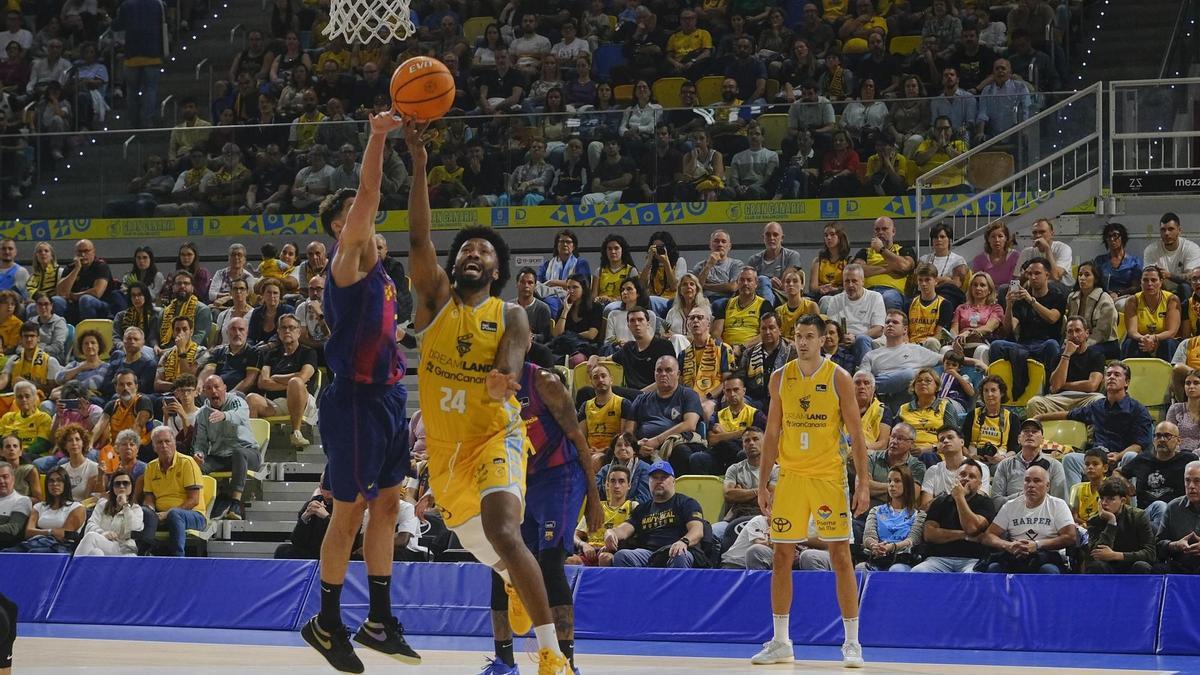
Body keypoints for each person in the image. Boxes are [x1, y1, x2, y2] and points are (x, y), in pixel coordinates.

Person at [405, 115, 571, 672]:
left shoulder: (511, 312)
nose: (472, 254)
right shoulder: (432, 306)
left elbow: (516, 352)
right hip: (446, 458)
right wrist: (421, 164)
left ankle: (550, 656)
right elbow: (418, 238)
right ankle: (520, 594)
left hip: (497, 437)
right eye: (466, 250)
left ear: (498, 269)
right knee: (494, 555)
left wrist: (504, 374)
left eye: (484, 251)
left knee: (505, 529)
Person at [299, 111, 422, 672]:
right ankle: (326, 624)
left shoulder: (383, 273)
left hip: (390, 396)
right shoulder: (347, 261)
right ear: (339, 230)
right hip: (352, 400)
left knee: (388, 507)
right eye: (352, 215)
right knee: (345, 515)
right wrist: (378, 136)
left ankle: (377, 619)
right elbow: (370, 189)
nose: (365, 215)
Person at [753, 314, 869, 667]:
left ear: (823, 340)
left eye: (809, 336)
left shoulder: (839, 378)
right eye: (798, 336)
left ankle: (852, 642)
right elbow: (772, 433)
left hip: (829, 478)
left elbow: (856, 435)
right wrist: (762, 482)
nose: (802, 342)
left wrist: (863, 482)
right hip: (790, 476)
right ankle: (780, 640)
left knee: (841, 558)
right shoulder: (779, 378)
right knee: (781, 557)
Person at [484, 362, 601, 673]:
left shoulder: (543, 382)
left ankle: (566, 663)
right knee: (503, 566)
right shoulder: (485, 384)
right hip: (521, 479)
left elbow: (579, 438)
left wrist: (594, 498)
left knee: (549, 564)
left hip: (561, 476)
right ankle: (504, 663)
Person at [1044, 361, 1154, 486]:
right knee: (1070, 459)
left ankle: (1130, 504)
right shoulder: (1097, 406)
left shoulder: (1138, 409)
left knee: (1131, 456)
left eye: (1117, 375)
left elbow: (1138, 445)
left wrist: (1118, 456)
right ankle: (1073, 503)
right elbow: (1069, 414)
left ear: (1127, 382)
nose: (1111, 377)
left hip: (1121, 459)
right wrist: (1038, 417)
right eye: (1108, 374)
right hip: (1097, 459)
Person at [603, 460, 705, 568]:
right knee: (622, 556)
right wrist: (610, 532)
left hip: (676, 550)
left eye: (663, 477)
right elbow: (624, 529)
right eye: (654, 478)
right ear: (649, 482)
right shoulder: (642, 508)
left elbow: (697, 530)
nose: (659, 481)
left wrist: (683, 542)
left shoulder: (687, 503)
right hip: (648, 554)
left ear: (673, 481)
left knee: (679, 554)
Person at [980, 464, 1075, 574]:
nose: (1031, 485)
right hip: (1016, 557)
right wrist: (1008, 545)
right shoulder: (1010, 506)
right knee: (994, 568)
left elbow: (1070, 537)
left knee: (1049, 571)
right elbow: (988, 536)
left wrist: (1037, 545)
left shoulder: (1058, 505)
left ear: (1047, 486)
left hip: (1046, 557)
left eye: (1037, 481)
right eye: (1027, 480)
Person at [194, 375, 261, 520]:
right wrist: (199, 454)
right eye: (209, 388)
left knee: (239, 453)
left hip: (249, 454)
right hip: (221, 457)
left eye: (217, 387)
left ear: (224, 388)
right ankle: (201, 506)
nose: (214, 391)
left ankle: (235, 503)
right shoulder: (202, 414)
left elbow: (241, 415)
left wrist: (224, 415)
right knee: (194, 466)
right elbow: (200, 442)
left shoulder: (237, 401)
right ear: (204, 392)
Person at [982, 257, 1066, 371]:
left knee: (1052, 345)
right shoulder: (1021, 298)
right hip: (1023, 344)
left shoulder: (1057, 296)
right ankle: (997, 386)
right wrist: (1009, 306)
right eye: (1030, 274)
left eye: (1037, 273)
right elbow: (1009, 328)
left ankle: (1048, 387)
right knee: (997, 345)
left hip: (1044, 344)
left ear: (1047, 275)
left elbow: (1052, 318)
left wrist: (1031, 301)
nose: (1033, 277)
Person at [912, 460, 996, 573]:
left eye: (972, 476)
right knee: (918, 572)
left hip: (972, 559)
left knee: (972, 575)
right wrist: (964, 536)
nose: (966, 478)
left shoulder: (986, 503)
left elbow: (972, 528)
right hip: (938, 559)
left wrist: (959, 497)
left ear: (979, 484)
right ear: (955, 478)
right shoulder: (940, 502)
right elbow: (929, 534)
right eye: (962, 474)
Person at [1119, 420, 1198, 533]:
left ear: (1178, 440)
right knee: (1160, 506)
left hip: (1178, 513)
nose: (1161, 440)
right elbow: (1117, 473)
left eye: (1167, 436)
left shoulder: (1187, 459)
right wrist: (1126, 483)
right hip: (1146, 514)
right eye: (1158, 436)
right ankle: (1159, 544)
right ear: (1154, 440)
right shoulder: (1143, 460)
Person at [1024, 315, 1105, 417]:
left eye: (1078, 330)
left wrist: (1064, 385)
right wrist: (1066, 355)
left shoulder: (1096, 356)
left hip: (1085, 398)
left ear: (1087, 333)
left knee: (1099, 401)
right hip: (1059, 399)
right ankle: (1042, 433)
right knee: (1034, 403)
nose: (1074, 335)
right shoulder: (1059, 356)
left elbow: (1092, 385)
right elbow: (1055, 386)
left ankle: (1088, 434)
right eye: (1070, 331)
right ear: (1066, 335)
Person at [1084, 476, 1156, 574]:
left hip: (1131, 564)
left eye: (1110, 499)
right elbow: (1096, 555)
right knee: (1097, 566)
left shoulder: (1138, 516)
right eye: (1101, 498)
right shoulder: (1094, 520)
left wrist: (1116, 555)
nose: (1104, 503)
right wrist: (1111, 522)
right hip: (1108, 567)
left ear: (1122, 501)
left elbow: (1150, 553)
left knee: (1142, 566)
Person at [990, 418, 1068, 509]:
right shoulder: (1005, 465)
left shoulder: (1054, 466)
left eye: (1034, 431)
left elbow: (1060, 504)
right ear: (1019, 439)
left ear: (1042, 440)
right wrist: (1022, 495)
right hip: (1011, 516)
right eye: (1026, 431)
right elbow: (995, 503)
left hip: (1043, 518)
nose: (1030, 434)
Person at [569, 464, 637, 567]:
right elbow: (575, 535)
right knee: (569, 560)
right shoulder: (596, 507)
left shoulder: (633, 506)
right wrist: (584, 545)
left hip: (613, 552)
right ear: (607, 484)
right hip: (589, 552)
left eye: (621, 481)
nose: (617, 486)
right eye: (613, 481)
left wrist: (612, 546)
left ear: (629, 486)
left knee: (605, 558)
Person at [859, 466, 925, 572]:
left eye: (897, 481)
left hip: (903, 559)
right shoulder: (875, 511)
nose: (891, 485)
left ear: (907, 485)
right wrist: (875, 546)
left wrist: (892, 547)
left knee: (896, 570)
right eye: (889, 481)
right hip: (877, 557)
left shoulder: (919, 514)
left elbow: (913, 540)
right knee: (860, 568)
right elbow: (868, 536)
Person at [820, 264, 885, 370]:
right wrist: (841, 338)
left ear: (862, 281)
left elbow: (878, 329)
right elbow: (832, 328)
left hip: (866, 342)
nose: (850, 285)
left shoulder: (875, 297)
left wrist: (855, 338)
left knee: (861, 340)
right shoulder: (835, 300)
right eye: (847, 281)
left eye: (854, 281)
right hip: (842, 342)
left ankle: (866, 375)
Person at [7, 465, 82, 553]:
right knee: (6, 553)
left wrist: (39, 532)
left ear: (66, 484)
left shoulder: (77, 507)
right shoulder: (39, 506)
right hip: (35, 542)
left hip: (60, 547)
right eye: (51, 481)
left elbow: (65, 535)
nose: (55, 484)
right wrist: (50, 532)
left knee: (34, 552)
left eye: (59, 480)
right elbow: (28, 533)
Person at [851, 216, 915, 312]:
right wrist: (890, 268)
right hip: (867, 291)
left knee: (888, 298)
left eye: (884, 229)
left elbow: (904, 266)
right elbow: (856, 271)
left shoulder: (903, 250)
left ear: (893, 231)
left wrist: (881, 250)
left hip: (892, 291)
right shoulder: (865, 252)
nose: (880, 232)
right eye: (877, 229)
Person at [75, 470, 143, 556]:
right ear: (112, 488)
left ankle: (73, 567)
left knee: (91, 537)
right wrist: (103, 533)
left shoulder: (136, 509)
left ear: (132, 487)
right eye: (117, 484)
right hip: (104, 544)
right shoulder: (102, 504)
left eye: (125, 483)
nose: (121, 486)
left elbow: (133, 529)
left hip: (123, 548)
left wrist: (125, 506)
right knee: (96, 553)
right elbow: (90, 525)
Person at [1122, 266, 1180, 360]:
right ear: (1140, 283)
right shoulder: (1132, 300)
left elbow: (1171, 332)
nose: (1149, 284)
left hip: (1163, 340)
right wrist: (1144, 340)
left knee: (1168, 343)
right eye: (1145, 280)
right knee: (1130, 343)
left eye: (1153, 280)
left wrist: (1153, 338)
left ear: (1161, 282)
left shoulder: (1171, 299)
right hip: (1141, 341)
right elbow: (1132, 331)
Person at [738, 313, 794, 410]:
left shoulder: (792, 352)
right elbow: (740, 379)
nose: (767, 332)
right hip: (754, 399)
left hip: (781, 399)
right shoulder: (749, 353)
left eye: (771, 328)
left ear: (780, 330)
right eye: (763, 328)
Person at [1068, 261, 1120, 360]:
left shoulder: (1105, 299)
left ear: (1095, 279)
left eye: (1087, 275)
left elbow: (1101, 333)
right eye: (1080, 274)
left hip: (1105, 344)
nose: (1082, 278)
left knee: (1085, 354)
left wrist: (1083, 346)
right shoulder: (1072, 298)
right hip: (1078, 341)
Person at [962, 375, 1019, 465]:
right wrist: (970, 456)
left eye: (993, 390)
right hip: (974, 459)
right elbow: (962, 443)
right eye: (986, 390)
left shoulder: (1012, 418)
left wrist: (1002, 458)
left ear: (1002, 393)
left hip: (999, 461)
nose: (989, 394)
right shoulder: (972, 415)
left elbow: (1014, 449)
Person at [1155, 460, 1200, 573]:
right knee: (1157, 569)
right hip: (1179, 566)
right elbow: (1158, 546)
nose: (1191, 486)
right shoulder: (1173, 507)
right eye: (1187, 480)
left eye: (1197, 481)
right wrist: (1175, 545)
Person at [923, 426, 991, 500]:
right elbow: (926, 504)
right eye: (942, 439)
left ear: (962, 442)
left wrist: (941, 500)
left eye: (950, 437)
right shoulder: (932, 471)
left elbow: (980, 500)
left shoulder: (980, 467)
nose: (945, 441)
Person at [1143, 212, 1200, 297]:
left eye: (1170, 229)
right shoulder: (1151, 250)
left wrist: (1169, 275)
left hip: (1184, 290)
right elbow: (1148, 277)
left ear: (1179, 230)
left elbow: (1191, 278)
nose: (1166, 233)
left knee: (1185, 287)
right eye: (1163, 230)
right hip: (1161, 290)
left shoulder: (1191, 248)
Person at [1069, 447, 1108, 525]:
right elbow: (1074, 516)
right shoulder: (1076, 488)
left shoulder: (1112, 488)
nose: (1090, 467)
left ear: (1105, 468)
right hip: (1082, 527)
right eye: (1087, 464)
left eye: (1095, 464)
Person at [1168, 369, 1200, 452]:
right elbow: (1168, 437)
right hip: (1177, 455)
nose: (1191, 386)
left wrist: (1193, 455)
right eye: (1188, 383)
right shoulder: (1175, 409)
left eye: (1196, 383)